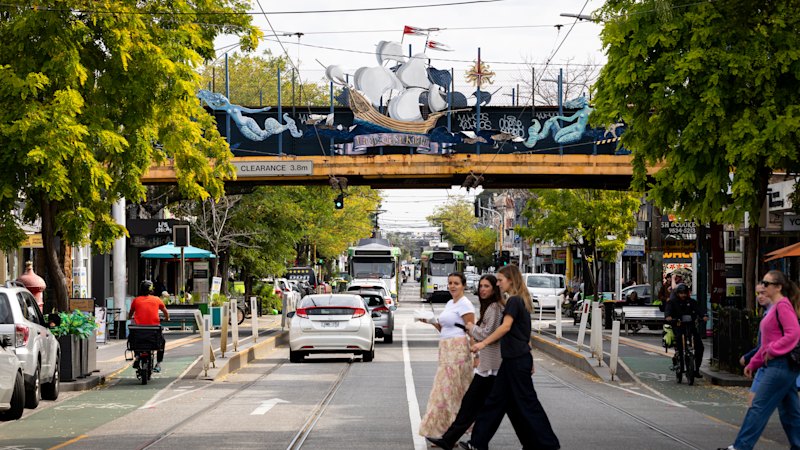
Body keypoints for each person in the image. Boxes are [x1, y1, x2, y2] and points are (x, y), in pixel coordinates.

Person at [459, 265, 560, 450]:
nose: (498, 284)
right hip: (513, 360)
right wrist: (529, 356)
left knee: (527, 403)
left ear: (511, 280)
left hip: (516, 361)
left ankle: (548, 444)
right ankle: (477, 443)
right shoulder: (520, 300)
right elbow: (524, 333)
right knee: (496, 401)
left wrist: (482, 343)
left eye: (500, 280)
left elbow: (506, 327)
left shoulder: (514, 301)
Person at [719, 270, 800, 450]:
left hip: (780, 365)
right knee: (790, 413)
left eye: (766, 284)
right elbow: (766, 343)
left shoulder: (783, 306)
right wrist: (754, 362)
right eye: (763, 283)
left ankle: (741, 447)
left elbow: (793, 333)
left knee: (758, 406)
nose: (763, 286)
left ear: (778, 287)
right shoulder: (775, 308)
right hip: (780, 365)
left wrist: (773, 350)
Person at [426, 275, 504, 450]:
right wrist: (431, 322)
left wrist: (474, 340)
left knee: (479, 403)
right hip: (477, 362)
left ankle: (470, 441)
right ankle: (452, 439)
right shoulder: (484, 306)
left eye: (487, 286)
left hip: (488, 364)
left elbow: (485, 333)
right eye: (481, 286)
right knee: (470, 402)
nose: (482, 289)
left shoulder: (492, 308)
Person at [418, 272, 476, 438]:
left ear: (463, 285)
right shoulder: (450, 303)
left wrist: (476, 354)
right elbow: (444, 328)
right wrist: (430, 321)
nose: (452, 286)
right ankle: (446, 432)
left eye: (456, 283)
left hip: (458, 351)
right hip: (445, 350)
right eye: (450, 283)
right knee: (446, 392)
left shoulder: (465, 304)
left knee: (449, 392)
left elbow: (472, 330)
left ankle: (449, 433)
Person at [664, 283, 708, 378]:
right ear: (677, 293)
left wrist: (703, 316)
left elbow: (699, 310)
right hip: (678, 326)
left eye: (685, 293)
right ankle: (678, 360)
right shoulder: (672, 302)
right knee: (679, 341)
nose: (683, 295)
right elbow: (668, 311)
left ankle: (696, 369)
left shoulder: (691, 302)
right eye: (681, 293)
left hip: (690, 327)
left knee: (700, 347)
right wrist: (668, 316)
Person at [739, 283, 772, 406]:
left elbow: (765, 345)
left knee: (754, 404)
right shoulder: (767, 312)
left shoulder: (775, 313)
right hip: (769, 364)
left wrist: (749, 359)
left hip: (772, 364)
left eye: (763, 293)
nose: (760, 296)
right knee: (789, 407)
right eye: (758, 293)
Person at [128, 280, 170, 372]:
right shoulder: (156, 299)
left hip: (139, 331)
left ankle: (137, 357)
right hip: (154, 332)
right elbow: (165, 312)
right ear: (151, 289)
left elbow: (130, 313)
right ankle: (158, 363)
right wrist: (167, 318)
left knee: (134, 339)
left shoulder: (136, 300)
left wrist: (130, 317)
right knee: (162, 342)